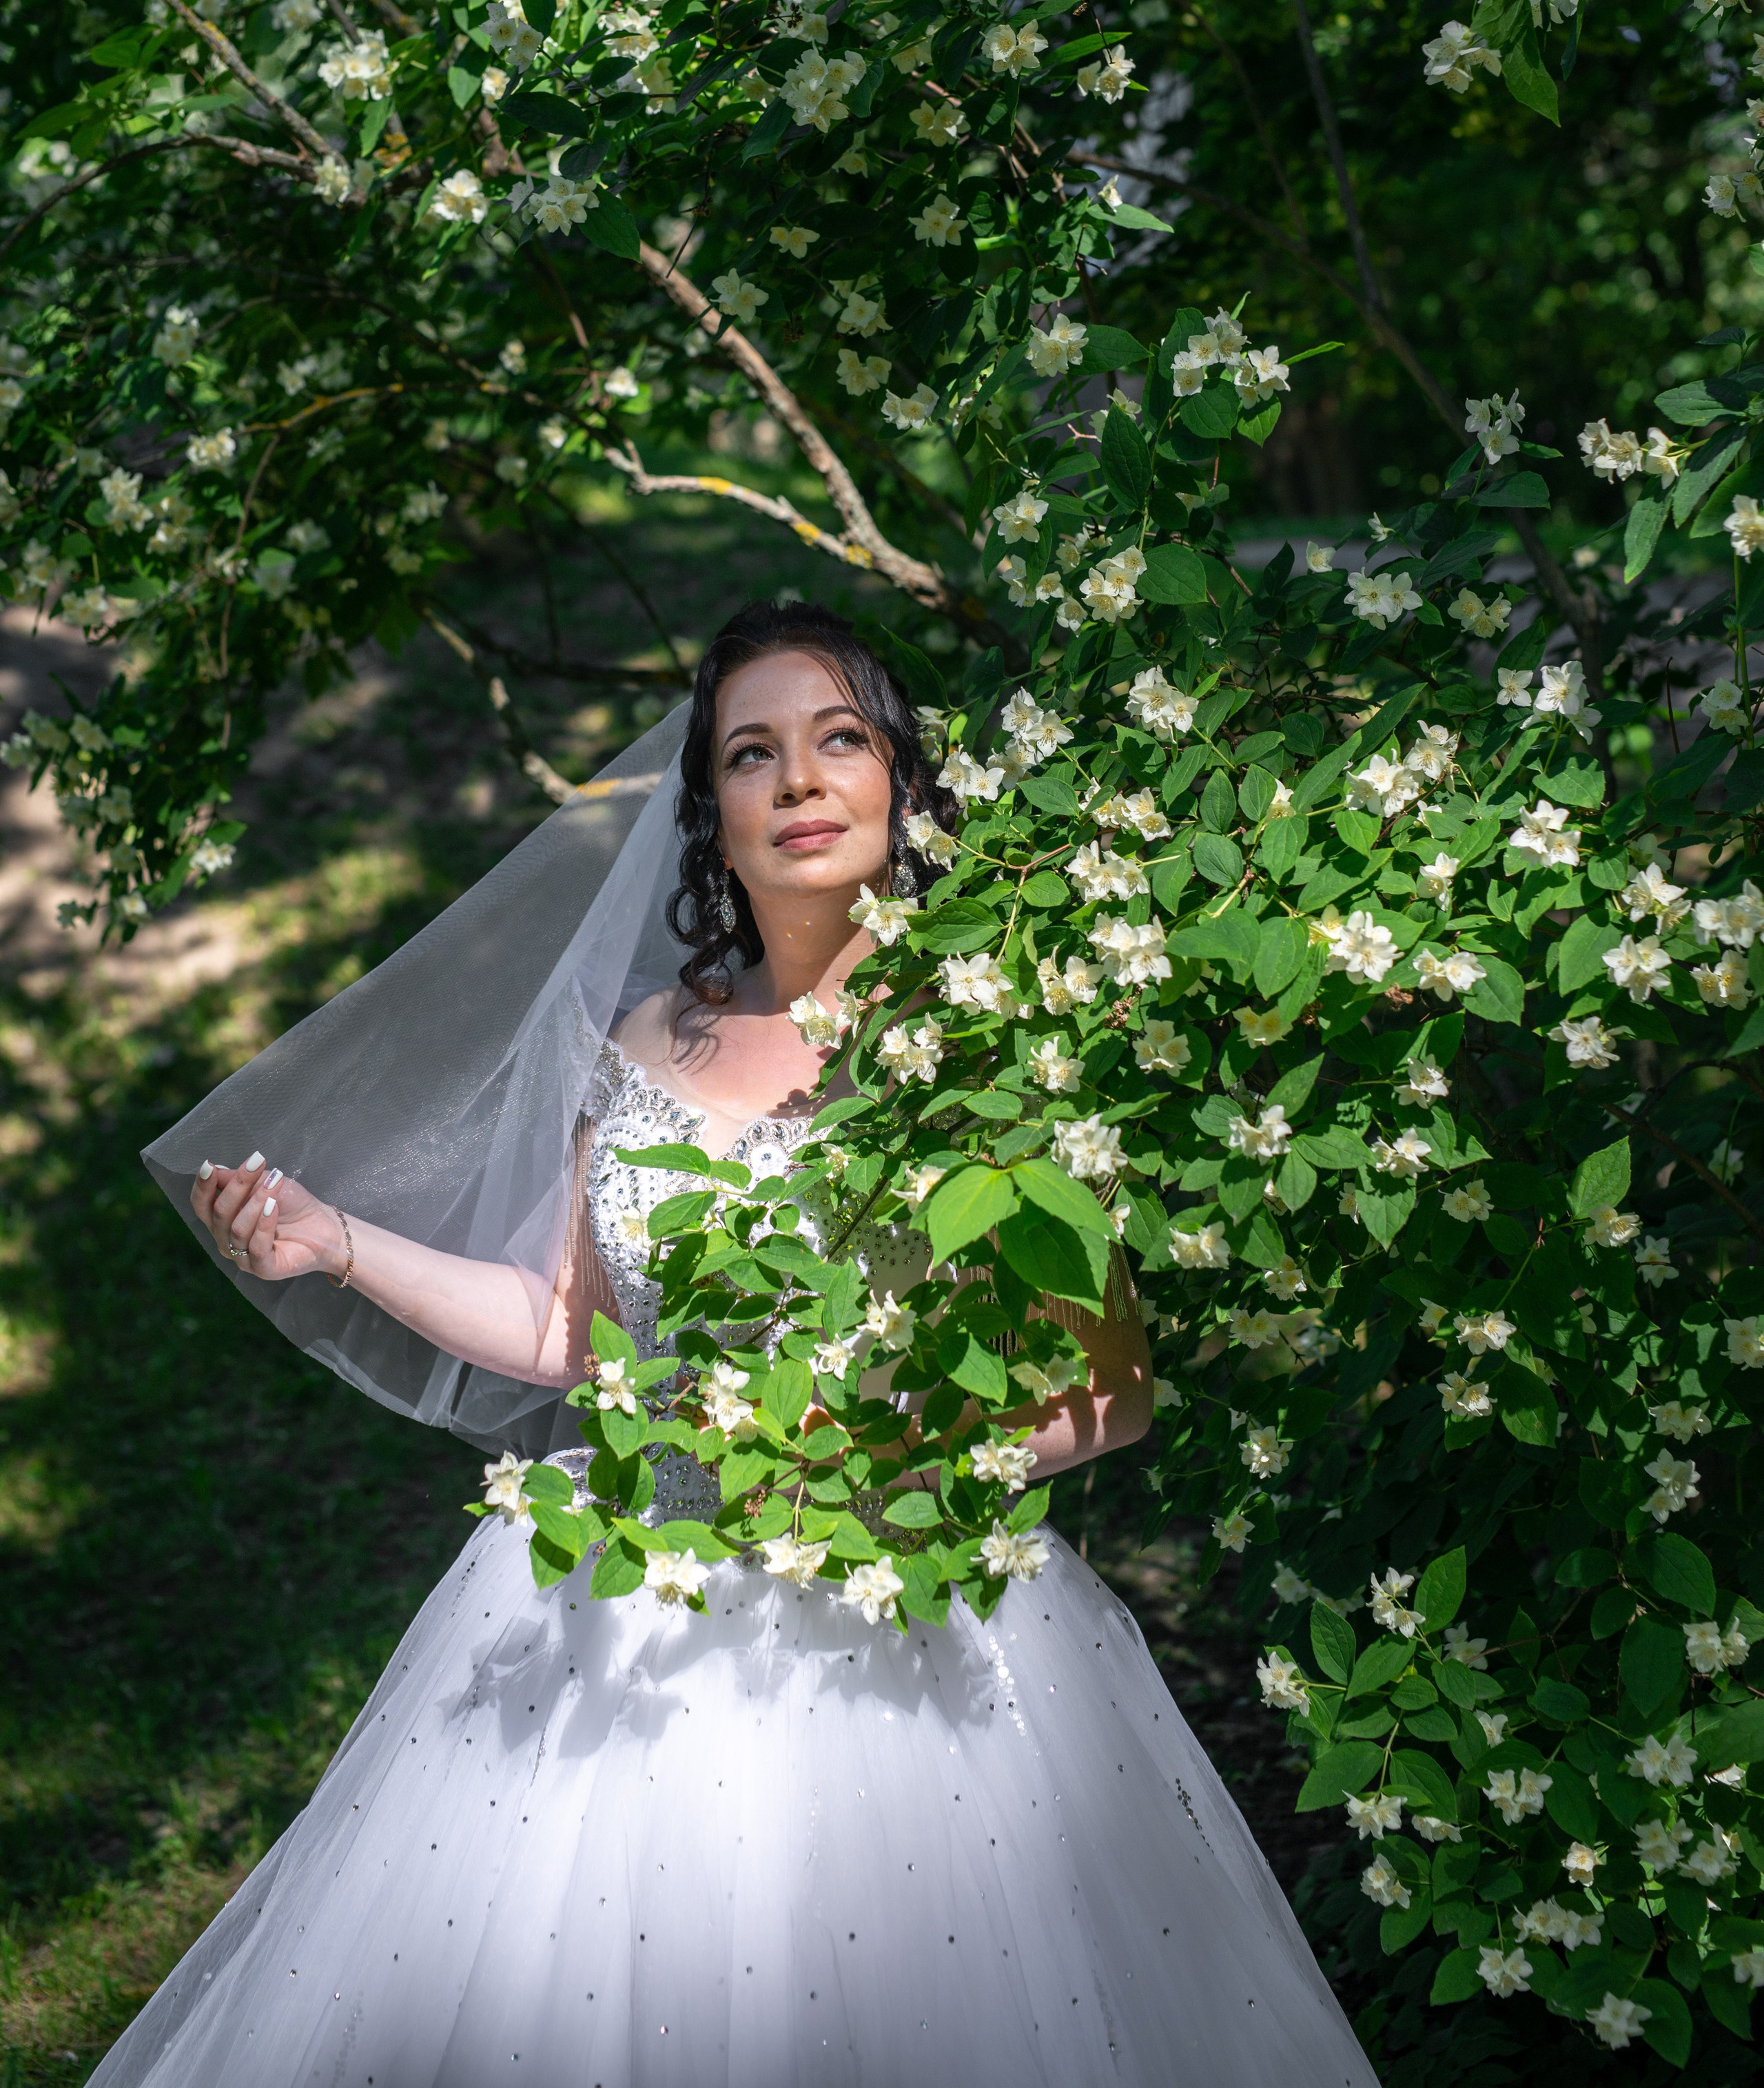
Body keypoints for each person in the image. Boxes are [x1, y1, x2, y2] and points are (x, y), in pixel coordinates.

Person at [96, 601, 1376, 2088]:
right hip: (641, 1611)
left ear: (900, 777)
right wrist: (339, 1243)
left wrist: (907, 1465)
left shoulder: (988, 1039)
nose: (801, 781)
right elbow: (570, 1333)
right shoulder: (645, 1042)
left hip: (912, 1609)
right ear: (713, 814)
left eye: (839, 739)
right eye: (751, 754)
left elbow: (1112, 1388)